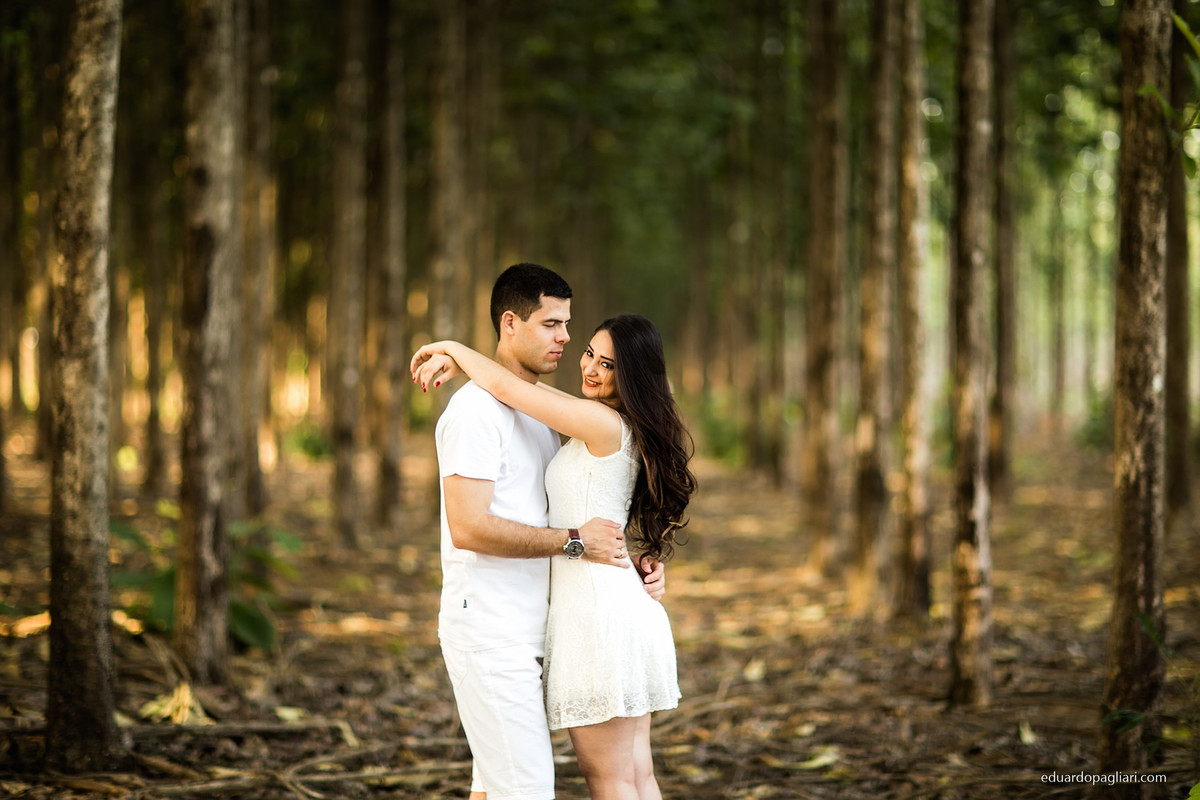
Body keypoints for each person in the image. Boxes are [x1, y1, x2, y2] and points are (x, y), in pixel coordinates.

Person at [413, 309, 697, 800]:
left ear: (632, 376)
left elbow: (514, 391)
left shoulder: (602, 422)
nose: (589, 367)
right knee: (634, 776)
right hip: (615, 602)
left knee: (612, 780)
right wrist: (637, 563)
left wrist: (456, 351)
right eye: (589, 353)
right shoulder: (615, 425)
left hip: (596, 616)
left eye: (609, 365)